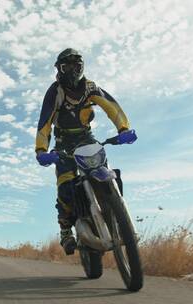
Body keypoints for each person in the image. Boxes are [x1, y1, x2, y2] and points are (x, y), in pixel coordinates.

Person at [35, 48, 137, 254]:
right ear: (59, 69)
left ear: (82, 67)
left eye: (77, 66)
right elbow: (44, 122)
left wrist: (124, 129)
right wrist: (41, 150)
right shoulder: (55, 91)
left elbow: (111, 107)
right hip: (63, 144)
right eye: (67, 66)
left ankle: (116, 211)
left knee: (109, 173)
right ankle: (65, 231)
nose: (73, 70)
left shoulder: (89, 87)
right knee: (65, 186)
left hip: (86, 139)